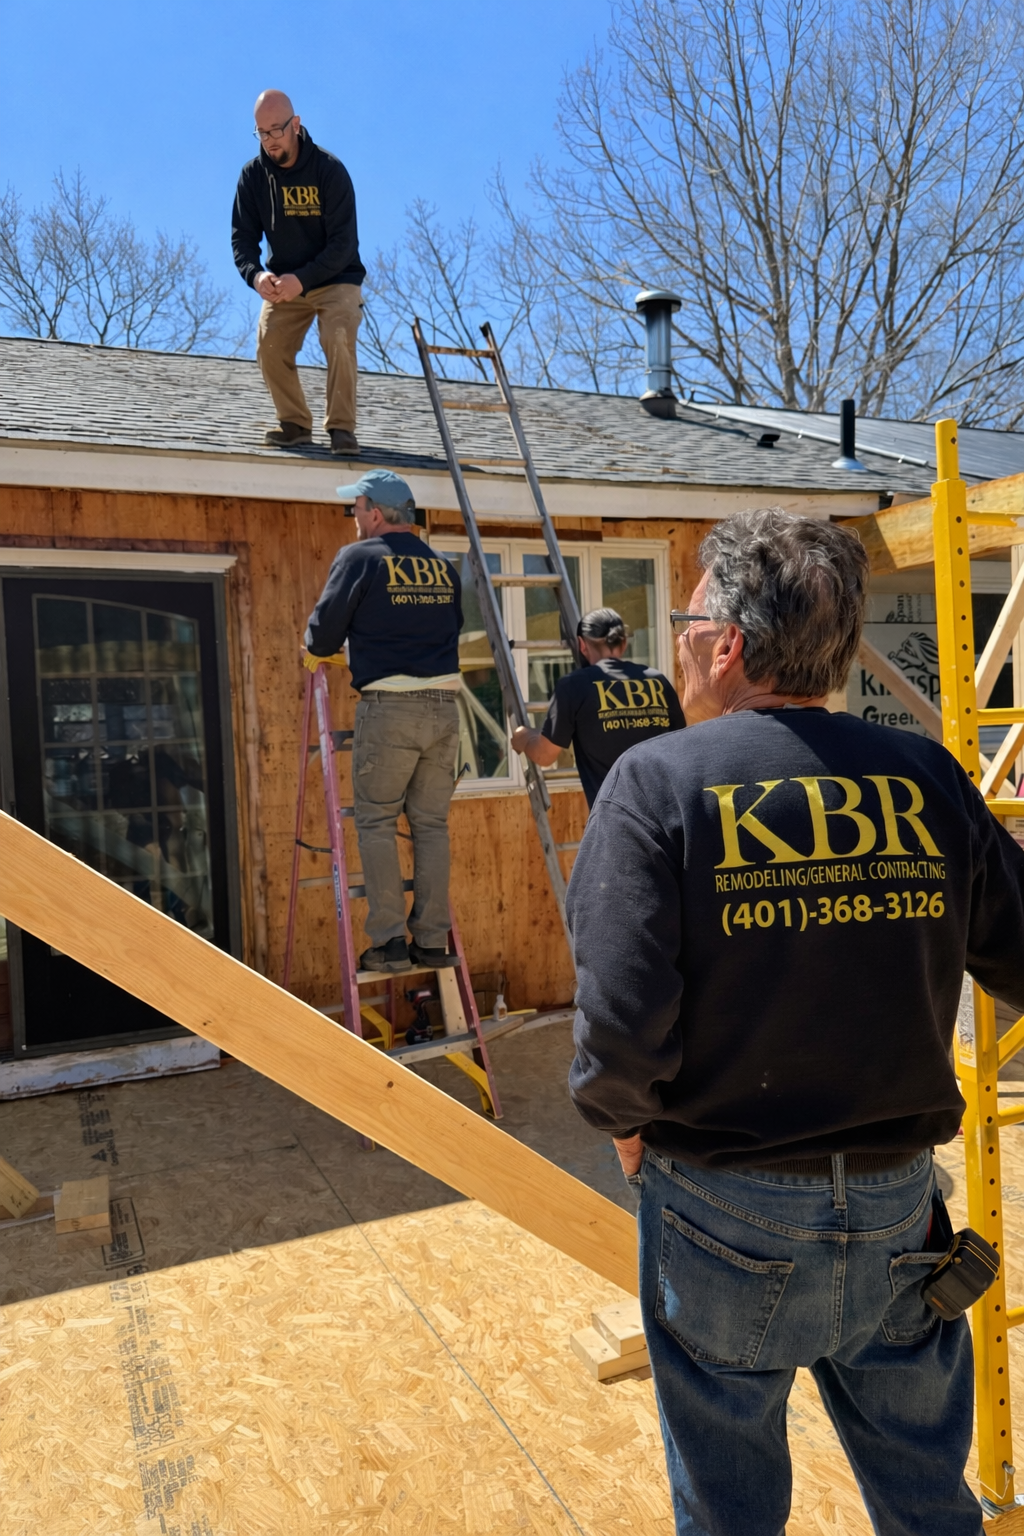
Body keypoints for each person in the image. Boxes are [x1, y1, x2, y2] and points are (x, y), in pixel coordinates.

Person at [566, 507, 1024, 1536]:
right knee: (923, 1500)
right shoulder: (925, 779)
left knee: (729, 1511)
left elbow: (620, 1027)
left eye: (683, 622)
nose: (676, 646)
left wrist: (628, 1128)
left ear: (725, 643)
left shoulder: (656, 784)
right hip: (899, 1213)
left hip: (723, 1211)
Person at [303, 470, 463, 975]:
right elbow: (449, 627)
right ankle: (432, 942)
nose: (353, 516)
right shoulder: (443, 566)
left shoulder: (360, 557)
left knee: (374, 822)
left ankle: (391, 941)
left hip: (391, 707)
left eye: (357, 506)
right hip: (444, 710)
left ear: (375, 512)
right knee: (431, 825)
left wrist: (320, 649)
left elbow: (322, 636)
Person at [232, 89, 365, 456]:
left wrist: (303, 280)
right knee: (268, 342)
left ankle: (341, 428)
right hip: (284, 282)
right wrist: (256, 275)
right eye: (262, 133)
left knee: (337, 335)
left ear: (296, 124)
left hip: (335, 277)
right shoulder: (252, 177)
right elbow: (242, 239)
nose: (270, 141)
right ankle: (294, 424)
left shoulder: (329, 171)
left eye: (276, 130)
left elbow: (344, 244)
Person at [510, 607, 685, 807]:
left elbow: (544, 755)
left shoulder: (574, 685)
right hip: (667, 813)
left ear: (582, 645)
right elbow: (680, 747)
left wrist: (524, 737)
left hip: (618, 819)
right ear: (624, 642)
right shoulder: (657, 680)